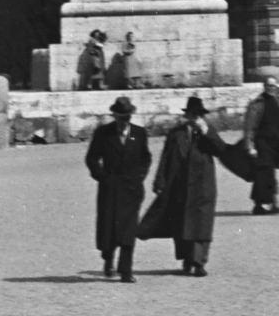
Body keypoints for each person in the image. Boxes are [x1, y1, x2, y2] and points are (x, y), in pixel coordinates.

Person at [138, 96, 222, 276]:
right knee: (182, 224)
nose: (195, 118)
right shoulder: (176, 134)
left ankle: (199, 263)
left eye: (199, 115)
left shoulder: (208, 132)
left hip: (203, 187)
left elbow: (220, 150)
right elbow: (166, 158)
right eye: (193, 114)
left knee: (202, 224)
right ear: (187, 115)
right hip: (180, 185)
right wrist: (159, 180)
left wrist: (207, 132)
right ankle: (187, 258)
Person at [84, 95, 151, 282]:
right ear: (115, 116)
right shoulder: (103, 133)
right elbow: (91, 158)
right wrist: (102, 177)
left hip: (131, 189)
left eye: (128, 117)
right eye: (121, 117)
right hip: (110, 189)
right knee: (110, 228)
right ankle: (108, 258)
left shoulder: (138, 133)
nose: (125, 121)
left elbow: (146, 158)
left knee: (129, 230)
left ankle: (126, 270)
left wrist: (139, 176)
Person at [243, 70, 279, 215]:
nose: (271, 88)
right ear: (264, 86)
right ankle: (259, 205)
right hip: (261, 144)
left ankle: (272, 204)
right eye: (268, 85)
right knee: (263, 174)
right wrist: (250, 146)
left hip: (274, 145)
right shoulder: (257, 103)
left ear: (276, 87)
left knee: (270, 174)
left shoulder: (277, 102)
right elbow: (249, 127)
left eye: (273, 86)